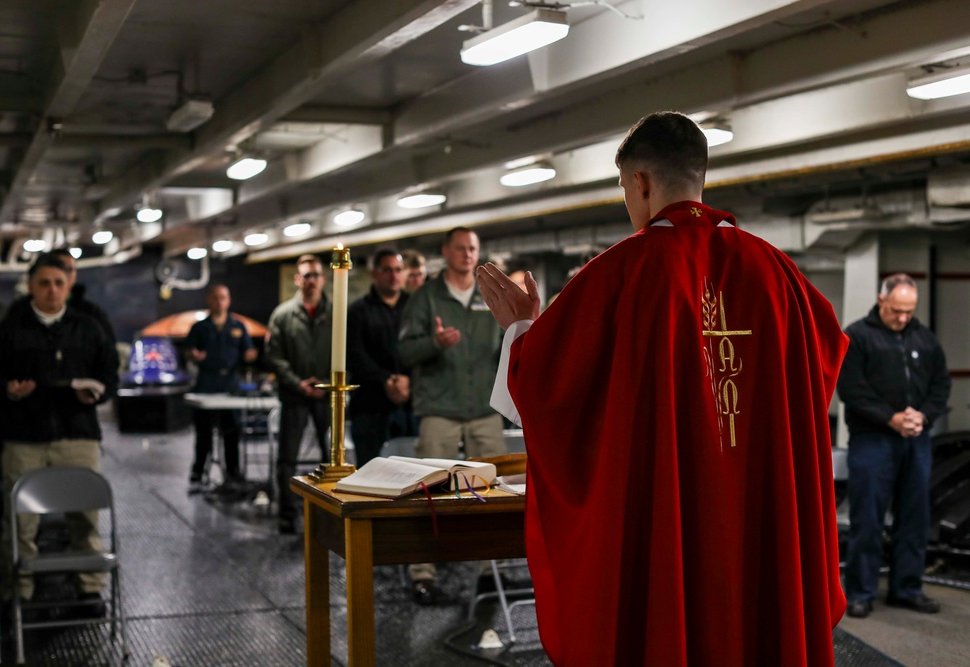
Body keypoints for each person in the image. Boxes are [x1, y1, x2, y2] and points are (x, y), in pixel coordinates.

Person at [476, 111, 848, 666]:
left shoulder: (620, 272)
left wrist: (523, 330)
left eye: (625, 189)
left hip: (666, 510)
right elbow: (821, 365)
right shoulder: (780, 273)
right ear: (700, 174)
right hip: (757, 504)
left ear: (640, 182)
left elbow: (552, 393)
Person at [0, 252, 118, 612]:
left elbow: (109, 372)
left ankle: (90, 588)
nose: (52, 290)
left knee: (85, 516)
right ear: (31, 286)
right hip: (24, 438)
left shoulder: (88, 327)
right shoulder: (11, 328)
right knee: (20, 521)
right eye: (44, 283)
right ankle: (18, 590)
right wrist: (9, 390)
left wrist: (98, 392)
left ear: (68, 286)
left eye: (58, 283)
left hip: (78, 436)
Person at [398, 227, 505, 603]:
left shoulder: (490, 295)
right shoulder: (426, 297)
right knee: (428, 493)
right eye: (459, 248)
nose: (467, 254)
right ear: (445, 251)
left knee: (491, 495)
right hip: (439, 410)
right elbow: (404, 352)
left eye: (472, 248)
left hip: (484, 409)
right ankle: (422, 573)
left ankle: (491, 571)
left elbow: (507, 345)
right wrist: (434, 343)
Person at [837, 273, 951, 619]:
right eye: (896, 310)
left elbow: (941, 384)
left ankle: (907, 589)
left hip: (915, 441)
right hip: (873, 441)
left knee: (915, 517)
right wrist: (891, 418)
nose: (902, 318)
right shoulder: (857, 336)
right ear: (881, 300)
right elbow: (852, 389)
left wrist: (923, 417)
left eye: (909, 311)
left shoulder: (924, 338)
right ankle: (860, 592)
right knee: (868, 519)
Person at [266, 254, 332, 534]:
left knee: (332, 458)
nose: (311, 280)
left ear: (323, 279)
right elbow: (274, 355)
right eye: (306, 275)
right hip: (295, 395)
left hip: (327, 395)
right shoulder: (283, 315)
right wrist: (297, 383)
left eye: (316, 275)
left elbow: (347, 352)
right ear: (298, 279)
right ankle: (287, 514)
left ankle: (331, 512)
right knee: (288, 458)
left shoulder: (337, 314)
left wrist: (326, 383)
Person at [346, 249, 417, 468]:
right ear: (374, 273)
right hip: (370, 405)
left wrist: (408, 380)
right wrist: (386, 379)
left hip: (411, 404)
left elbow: (423, 348)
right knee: (371, 470)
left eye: (398, 270)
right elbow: (354, 354)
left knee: (413, 471)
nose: (394, 276)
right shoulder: (357, 311)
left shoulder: (416, 308)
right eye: (387, 270)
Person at [186, 284, 258, 492]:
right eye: (216, 298)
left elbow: (248, 351)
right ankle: (198, 471)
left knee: (232, 431)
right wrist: (194, 355)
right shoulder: (200, 327)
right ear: (209, 300)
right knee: (204, 433)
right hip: (207, 382)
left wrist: (250, 355)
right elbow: (188, 350)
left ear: (229, 300)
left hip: (230, 384)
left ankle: (233, 472)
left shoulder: (238, 326)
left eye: (223, 298)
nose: (220, 302)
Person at [49, 248, 116, 344]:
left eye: (70, 270)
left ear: (75, 275)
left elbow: (108, 349)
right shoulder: (28, 315)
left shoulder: (92, 314)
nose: (64, 274)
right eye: (60, 267)